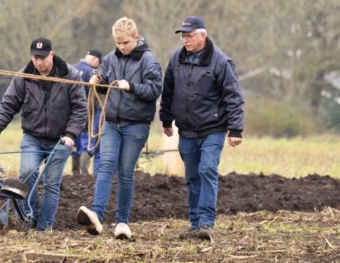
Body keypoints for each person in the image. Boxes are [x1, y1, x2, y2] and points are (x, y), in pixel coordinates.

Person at [0, 37, 87, 231]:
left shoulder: (70, 75)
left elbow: (80, 109)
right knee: (27, 173)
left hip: (61, 139)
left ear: (51, 55)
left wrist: (71, 134)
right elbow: (8, 106)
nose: (39, 62)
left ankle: (45, 228)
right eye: (35, 58)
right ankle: (28, 217)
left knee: (51, 183)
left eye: (42, 58)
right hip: (33, 137)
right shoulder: (23, 76)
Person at [159, 15, 244, 242]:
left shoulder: (221, 62)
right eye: (183, 36)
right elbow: (168, 91)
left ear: (202, 35)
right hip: (186, 130)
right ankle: (195, 224)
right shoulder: (176, 59)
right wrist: (166, 120)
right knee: (192, 177)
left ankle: (207, 223)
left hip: (213, 128)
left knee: (207, 170)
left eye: (189, 36)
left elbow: (233, 97)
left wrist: (236, 129)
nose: (185, 40)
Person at [77, 17, 162, 239]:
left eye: (125, 42)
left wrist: (131, 86)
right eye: (118, 43)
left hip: (136, 125)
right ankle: (96, 215)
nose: (121, 47)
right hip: (111, 122)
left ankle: (122, 221)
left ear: (136, 38)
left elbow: (154, 90)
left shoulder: (148, 60)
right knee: (105, 165)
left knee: (125, 172)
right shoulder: (109, 59)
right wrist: (98, 81)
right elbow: (105, 86)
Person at [71, 49, 102, 176]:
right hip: (87, 112)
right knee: (86, 141)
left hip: (71, 112)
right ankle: (84, 173)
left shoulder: (72, 68)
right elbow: (96, 94)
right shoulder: (93, 72)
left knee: (74, 139)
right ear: (95, 59)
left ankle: (75, 171)